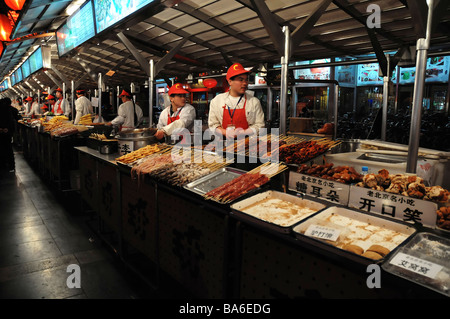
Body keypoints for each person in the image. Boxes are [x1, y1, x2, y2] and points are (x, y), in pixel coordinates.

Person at [208, 62, 265, 138]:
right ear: (230, 81)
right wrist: (225, 132)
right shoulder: (217, 101)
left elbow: (260, 125)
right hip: (223, 144)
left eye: (246, 80)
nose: (245, 83)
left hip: (248, 143)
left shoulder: (253, 101)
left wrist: (244, 132)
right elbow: (213, 125)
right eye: (241, 80)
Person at [0, 98, 16, 172]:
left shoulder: (4, 109)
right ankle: (11, 166)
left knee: (3, 149)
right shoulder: (10, 109)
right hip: (7, 132)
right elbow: (12, 120)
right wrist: (8, 129)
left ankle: (4, 165)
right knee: (9, 148)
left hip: (4, 132)